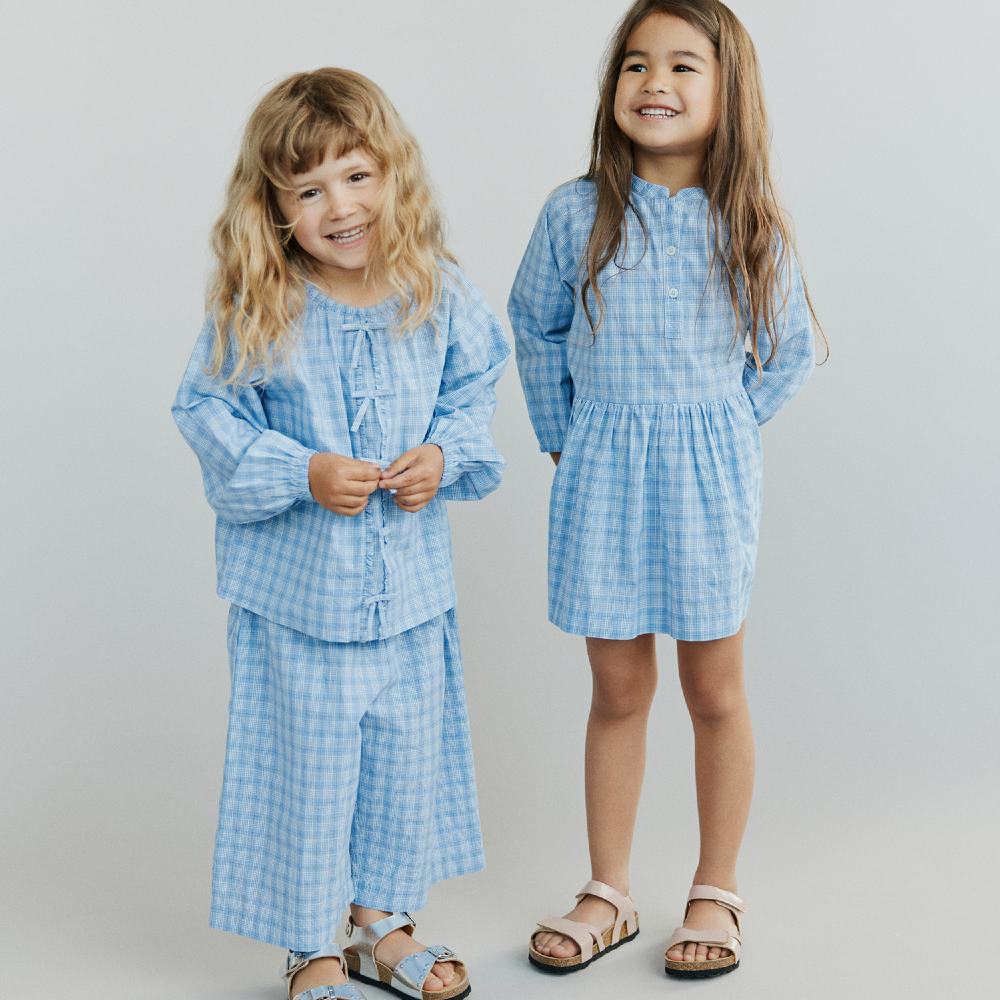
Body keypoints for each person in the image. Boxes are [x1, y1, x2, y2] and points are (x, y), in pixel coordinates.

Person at [173, 67, 508, 1000]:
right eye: (309, 190)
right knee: (308, 769)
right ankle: (307, 939)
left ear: (392, 175)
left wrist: (444, 452)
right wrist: (302, 471)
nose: (340, 206)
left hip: (409, 597)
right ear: (275, 209)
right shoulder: (263, 304)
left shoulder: (436, 292)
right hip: (299, 605)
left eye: (357, 176)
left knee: (402, 762)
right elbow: (206, 413)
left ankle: (380, 925)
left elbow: (474, 391)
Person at [508, 0, 825, 980]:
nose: (654, 82)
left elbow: (789, 352)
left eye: (684, 66)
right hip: (600, 473)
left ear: (730, 93)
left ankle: (715, 887)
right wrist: (565, 438)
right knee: (616, 685)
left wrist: (719, 429)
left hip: (704, 480)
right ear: (612, 89)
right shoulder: (576, 213)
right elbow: (532, 324)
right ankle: (608, 888)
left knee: (714, 686)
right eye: (635, 63)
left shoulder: (748, 219)